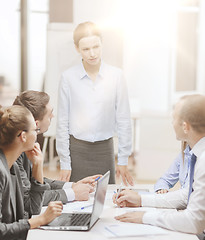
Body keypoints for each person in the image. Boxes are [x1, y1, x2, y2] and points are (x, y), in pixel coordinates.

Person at [114, 94, 205, 234]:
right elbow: (186, 194)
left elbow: (193, 222)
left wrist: (145, 217)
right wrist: (140, 200)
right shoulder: (198, 154)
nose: (172, 123)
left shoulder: (203, 160)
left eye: (174, 118)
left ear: (185, 126)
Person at [56, 21, 133, 185]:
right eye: (85, 49)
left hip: (105, 151)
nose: (92, 53)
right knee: (77, 203)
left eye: (96, 47)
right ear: (77, 49)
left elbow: (124, 119)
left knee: (105, 202)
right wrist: (65, 162)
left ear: (102, 43)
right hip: (77, 151)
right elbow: (62, 122)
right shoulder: (68, 78)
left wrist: (123, 159)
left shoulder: (116, 76)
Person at [13, 90, 101, 205]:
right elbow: (29, 199)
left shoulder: (24, 144)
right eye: (50, 113)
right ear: (36, 124)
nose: (52, 116)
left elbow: (34, 183)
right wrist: (73, 193)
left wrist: (73, 186)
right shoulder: (14, 153)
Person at [0, 105, 63, 240]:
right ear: (23, 136)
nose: (37, 134)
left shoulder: (13, 168)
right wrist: (40, 220)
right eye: (35, 130)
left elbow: (32, 209)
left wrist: (37, 165)